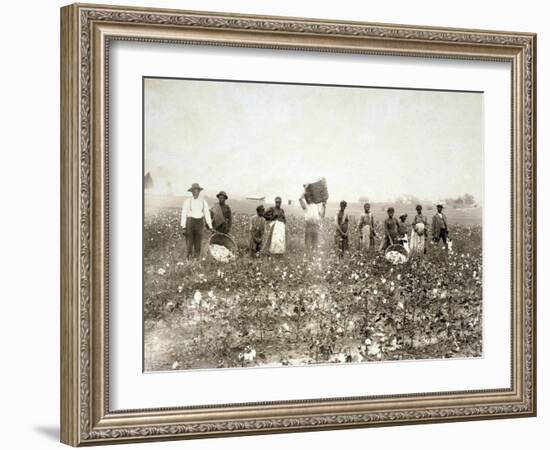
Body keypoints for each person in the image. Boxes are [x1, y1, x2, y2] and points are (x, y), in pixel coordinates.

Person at [180, 182, 213, 259]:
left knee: (198, 241)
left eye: (197, 190)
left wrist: (210, 226)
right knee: (189, 241)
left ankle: (196, 258)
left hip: (200, 223)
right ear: (192, 192)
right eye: (194, 191)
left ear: (199, 191)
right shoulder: (187, 201)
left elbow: (207, 214)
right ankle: (188, 258)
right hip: (190, 222)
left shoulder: (203, 201)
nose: (196, 192)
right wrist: (183, 227)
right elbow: (183, 214)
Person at [299, 188, 326, 256]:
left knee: (315, 246)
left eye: (312, 196)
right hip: (309, 226)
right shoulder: (306, 206)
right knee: (308, 245)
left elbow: (322, 215)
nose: (311, 198)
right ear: (307, 198)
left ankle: (313, 262)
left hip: (316, 227)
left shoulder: (316, 206)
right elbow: (300, 199)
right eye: (309, 196)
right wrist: (305, 189)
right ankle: (307, 260)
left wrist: (324, 205)